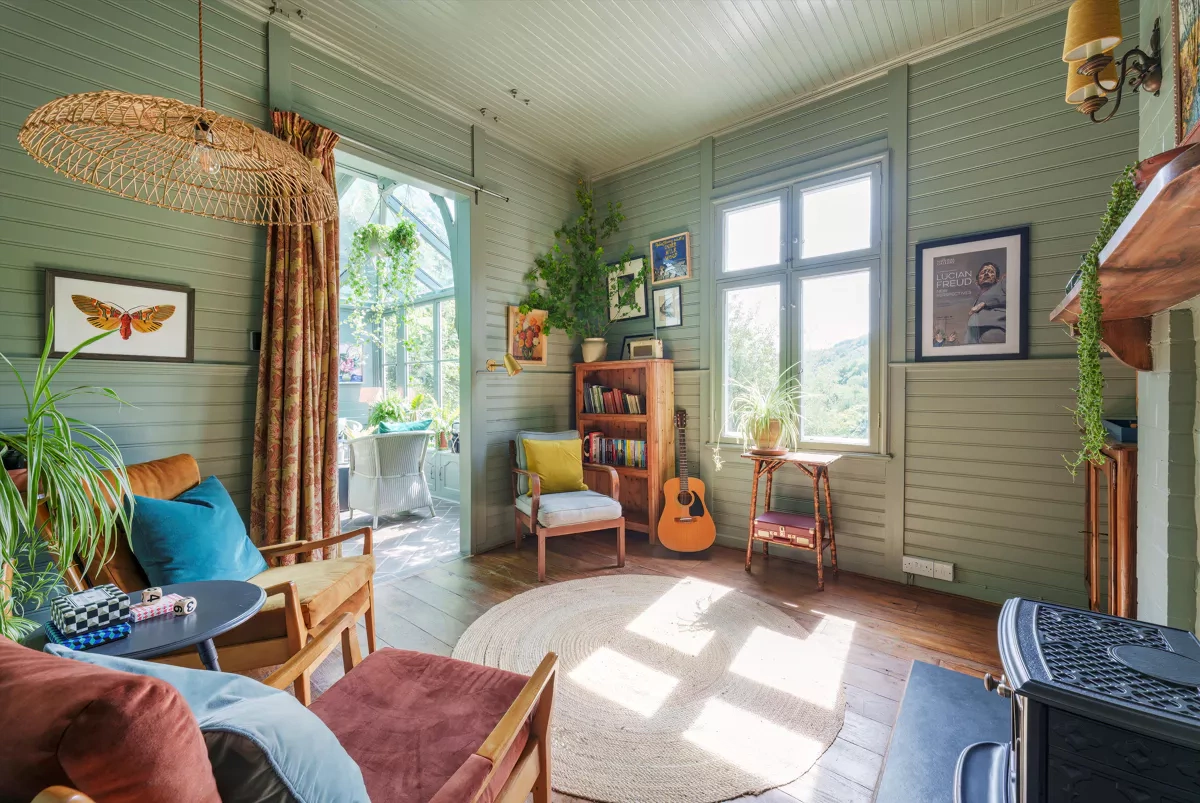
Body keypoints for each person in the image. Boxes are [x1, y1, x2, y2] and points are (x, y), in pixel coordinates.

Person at [966, 262, 1006, 344]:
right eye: (983, 272)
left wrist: (984, 303)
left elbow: (1013, 297)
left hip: (995, 332)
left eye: (991, 272)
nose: (986, 273)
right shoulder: (976, 300)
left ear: (997, 279)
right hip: (975, 337)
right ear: (977, 281)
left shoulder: (1002, 284)